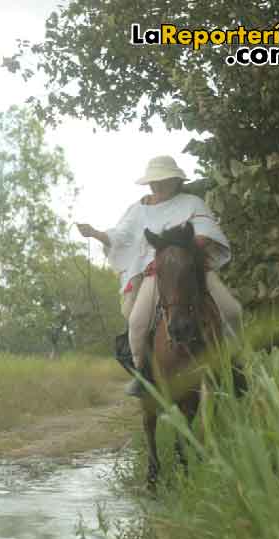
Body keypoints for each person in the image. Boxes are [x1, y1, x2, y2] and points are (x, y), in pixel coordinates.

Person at [76, 155, 242, 397]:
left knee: (232, 311)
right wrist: (95, 233)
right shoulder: (138, 209)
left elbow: (206, 234)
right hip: (156, 273)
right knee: (136, 323)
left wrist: (179, 252)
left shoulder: (191, 203)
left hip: (191, 270)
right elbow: (121, 237)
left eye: (162, 180)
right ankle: (143, 374)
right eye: (153, 182)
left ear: (175, 181)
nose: (157, 186)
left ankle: (235, 367)